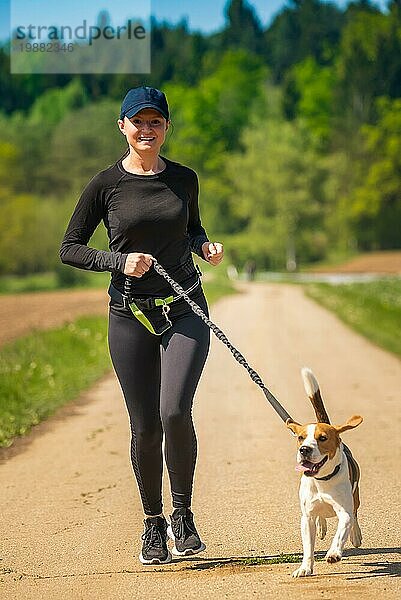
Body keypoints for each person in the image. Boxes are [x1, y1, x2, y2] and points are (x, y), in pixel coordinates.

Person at [60, 86, 224, 565]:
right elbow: (69, 247)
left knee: (175, 410)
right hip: (128, 313)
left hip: (184, 307)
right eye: (139, 122)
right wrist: (118, 260)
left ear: (166, 127)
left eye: (156, 122)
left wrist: (205, 246)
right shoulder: (104, 184)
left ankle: (184, 516)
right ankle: (153, 523)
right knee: (146, 425)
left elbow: (191, 228)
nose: (147, 130)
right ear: (123, 127)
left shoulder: (184, 179)